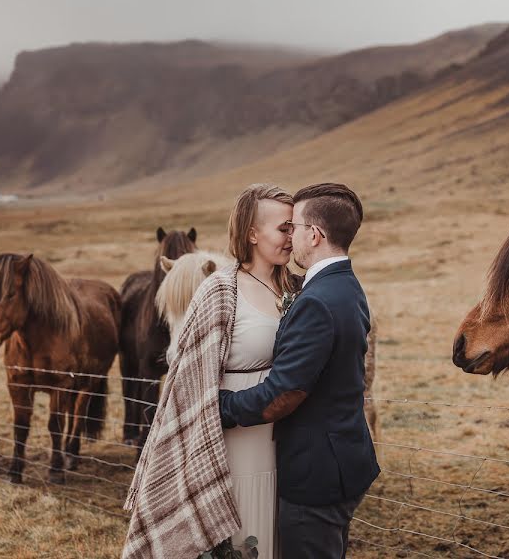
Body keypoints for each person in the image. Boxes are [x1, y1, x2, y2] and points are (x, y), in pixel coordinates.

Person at [122, 183, 297, 559]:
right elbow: (190, 377)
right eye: (284, 227)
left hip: (284, 442)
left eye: (294, 226)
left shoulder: (293, 286)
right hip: (232, 442)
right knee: (242, 533)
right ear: (252, 233)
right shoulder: (220, 289)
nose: (292, 236)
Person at [219, 182, 380, 559]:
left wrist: (217, 407)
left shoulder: (317, 301)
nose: (291, 236)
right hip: (342, 458)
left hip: (316, 473)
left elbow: (282, 396)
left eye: (295, 226)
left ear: (316, 233)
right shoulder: (345, 285)